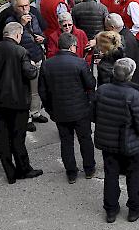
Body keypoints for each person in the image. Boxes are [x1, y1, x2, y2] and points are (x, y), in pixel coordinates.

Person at [0, 22, 42, 184]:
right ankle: (24, 169)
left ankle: (10, 172)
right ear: (17, 35)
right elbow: (29, 73)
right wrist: (34, 67)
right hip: (17, 102)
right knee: (18, 138)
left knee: (2, 138)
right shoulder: (21, 51)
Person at [92, 58, 139, 223]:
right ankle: (133, 209)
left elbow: (93, 115)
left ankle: (111, 210)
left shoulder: (102, 90)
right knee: (133, 176)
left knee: (111, 175)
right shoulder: (133, 94)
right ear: (130, 75)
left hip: (108, 142)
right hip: (130, 145)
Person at [38, 32, 96, 184]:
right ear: (72, 47)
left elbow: (42, 91)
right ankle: (89, 169)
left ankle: (71, 173)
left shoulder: (47, 64)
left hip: (59, 110)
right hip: (81, 110)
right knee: (85, 139)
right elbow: (90, 84)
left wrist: (50, 109)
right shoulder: (80, 63)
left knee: (66, 142)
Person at [4, 0, 46, 131]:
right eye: (21, 7)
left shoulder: (33, 17)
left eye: (26, 5)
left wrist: (42, 38)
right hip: (23, 60)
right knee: (25, 90)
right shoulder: (10, 21)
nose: (25, 9)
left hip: (37, 55)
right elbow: (10, 41)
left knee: (36, 89)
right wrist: (21, 25)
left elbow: (40, 31)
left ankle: (35, 112)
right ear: (15, 8)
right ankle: (26, 117)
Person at [105, 13, 139, 95]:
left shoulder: (124, 41)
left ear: (112, 27)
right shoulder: (126, 33)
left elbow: (124, 63)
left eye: (107, 28)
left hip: (131, 82)